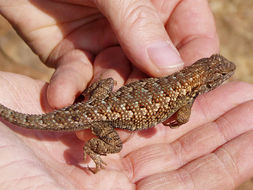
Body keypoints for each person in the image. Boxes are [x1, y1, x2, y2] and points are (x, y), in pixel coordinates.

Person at [0, 1, 253, 189]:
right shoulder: (186, 99)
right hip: (103, 118)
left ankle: (86, 103)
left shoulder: (177, 75)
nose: (226, 72)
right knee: (117, 143)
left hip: (101, 103)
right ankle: (92, 147)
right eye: (220, 73)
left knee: (107, 81)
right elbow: (182, 118)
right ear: (207, 83)